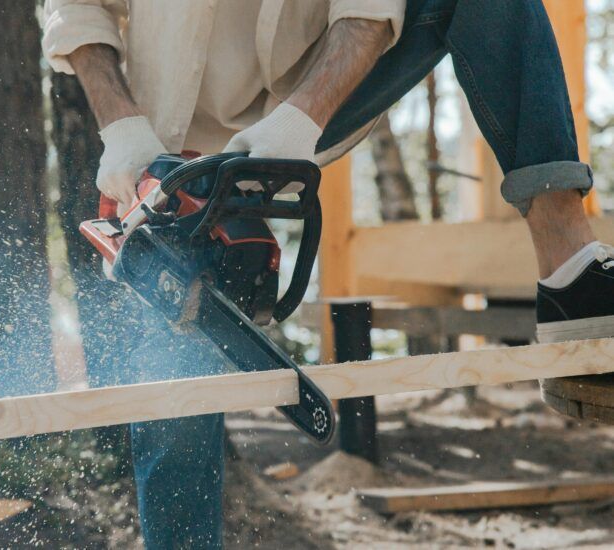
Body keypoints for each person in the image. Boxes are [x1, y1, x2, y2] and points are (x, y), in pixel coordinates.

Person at [43, 0, 614, 547]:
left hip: (308, 98)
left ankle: (568, 269)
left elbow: (368, 7)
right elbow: (78, 6)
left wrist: (297, 123)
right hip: (156, 135)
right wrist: (122, 132)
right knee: (173, 367)